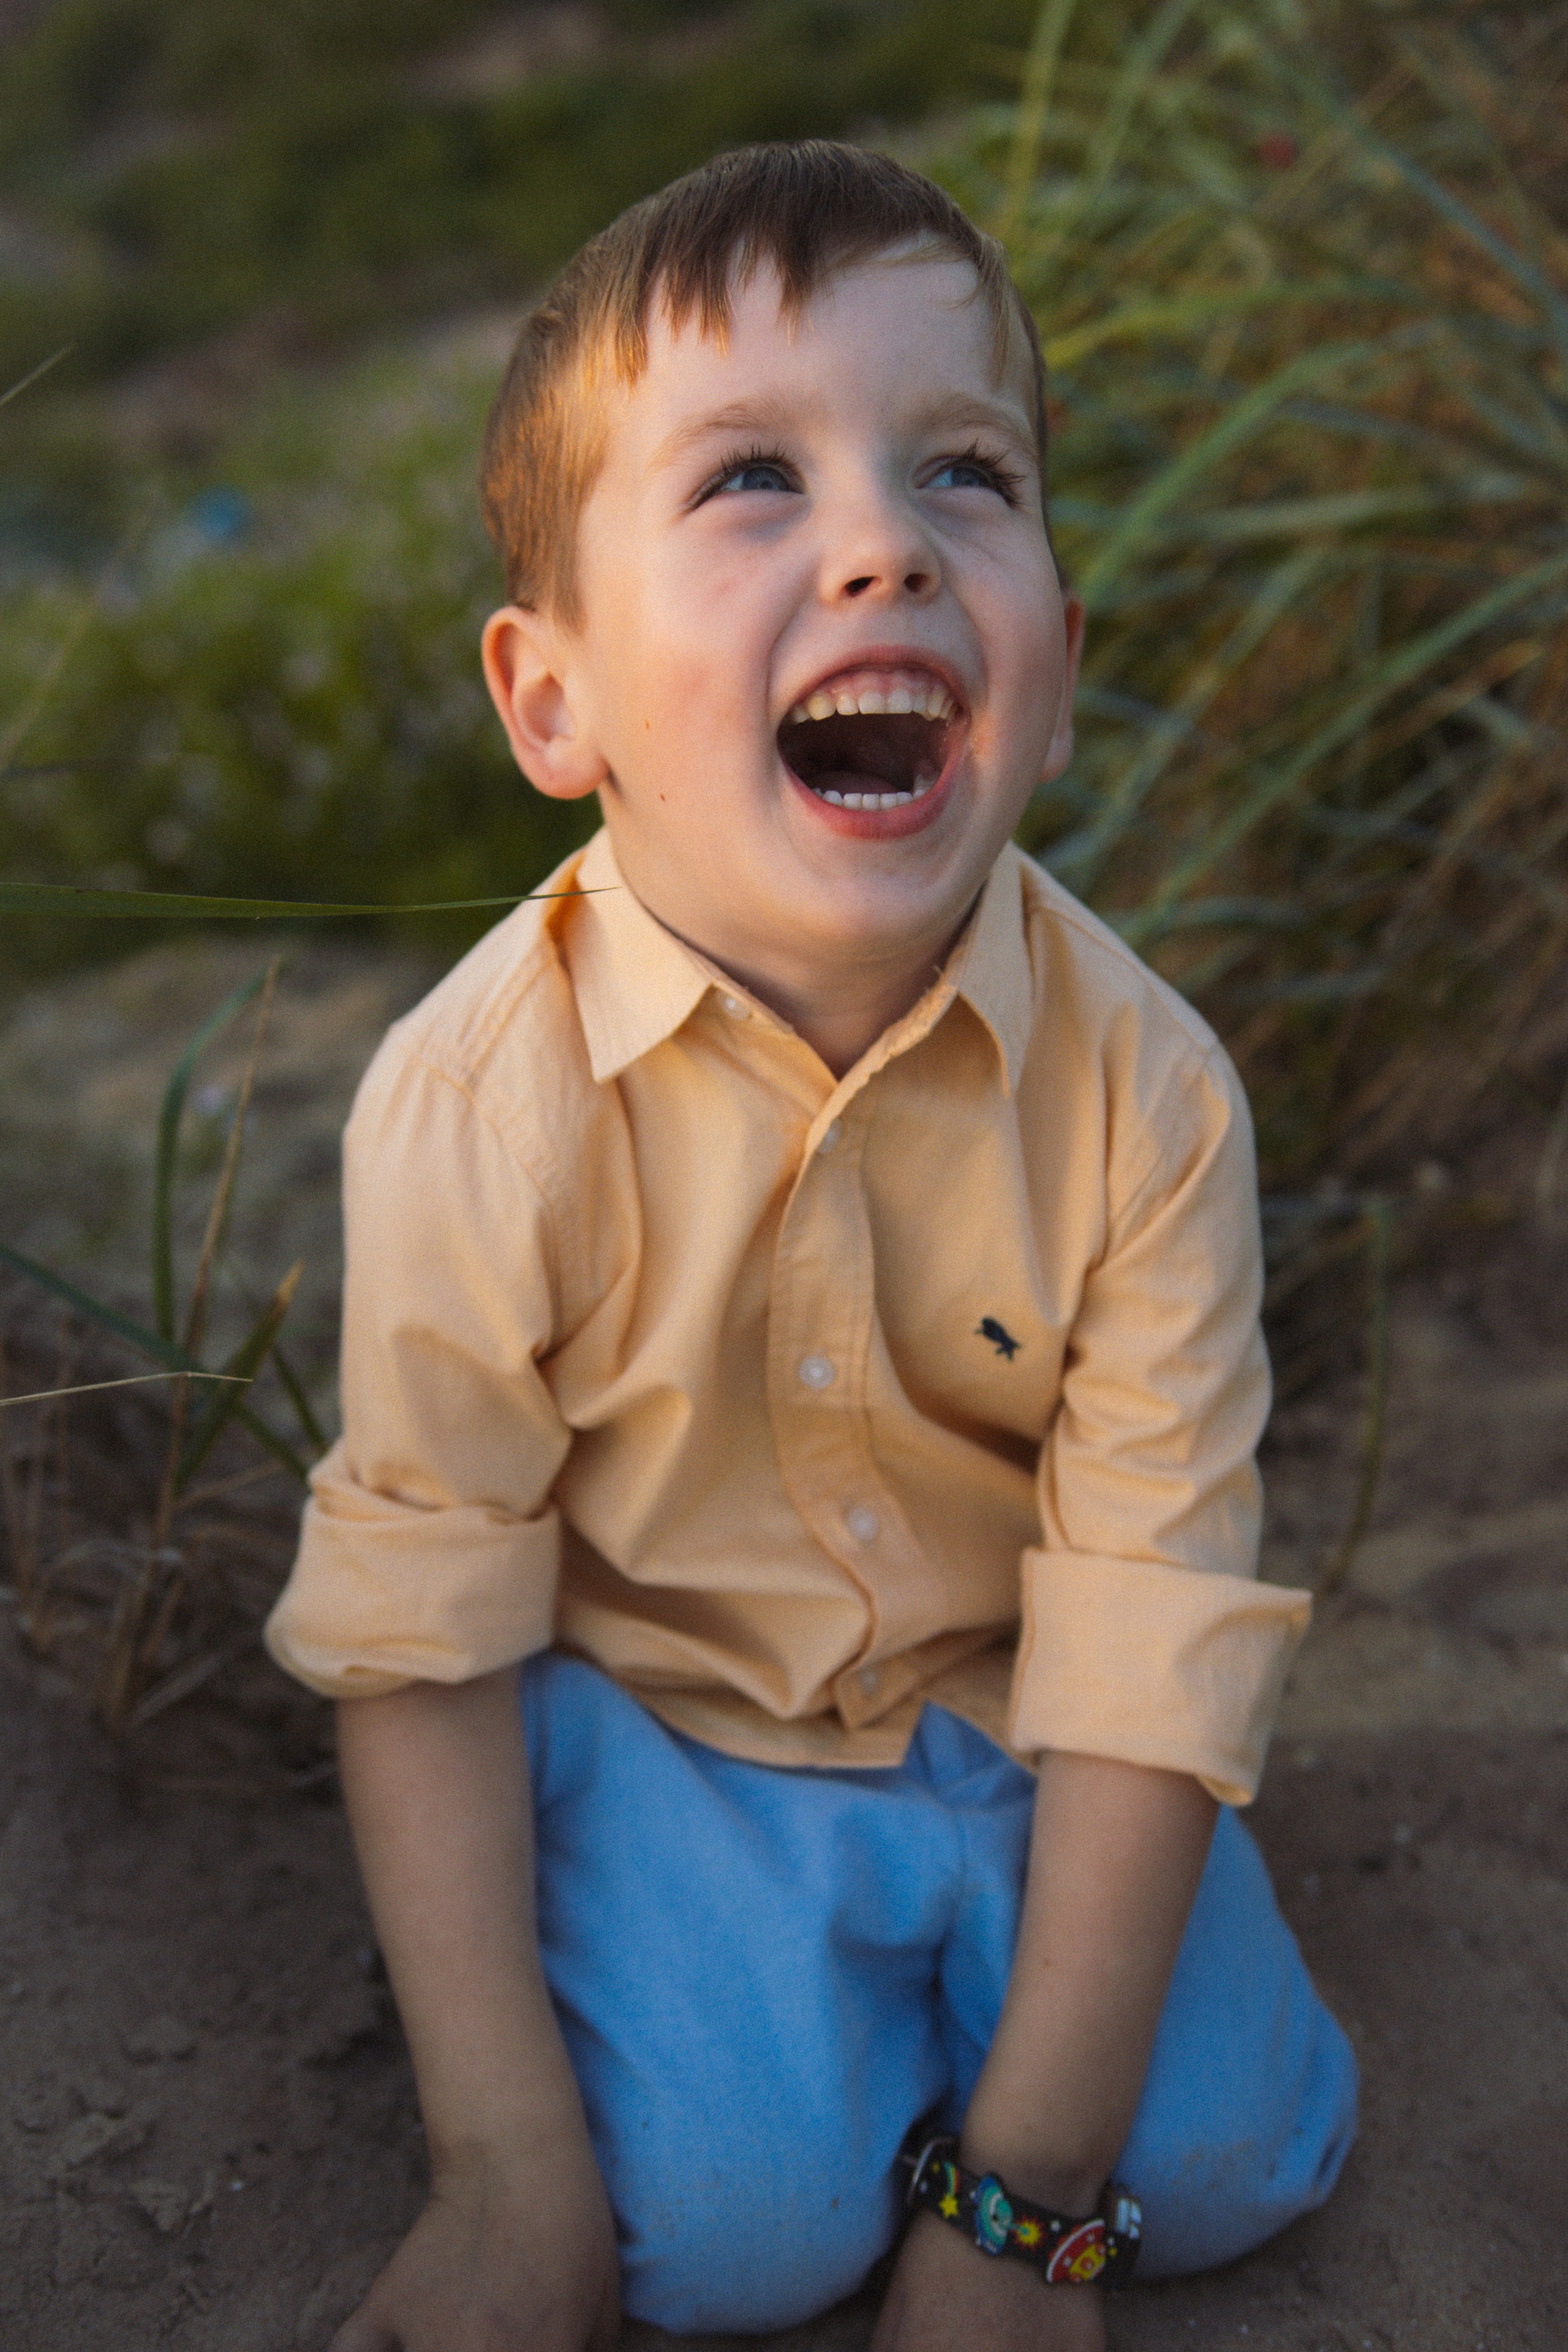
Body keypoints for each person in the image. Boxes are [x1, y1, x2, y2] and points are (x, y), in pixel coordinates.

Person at [265, 140, 1357, 2352]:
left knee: (1235, 2162)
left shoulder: (1149, 1092)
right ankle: (639, 1991)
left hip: (1018, 1728)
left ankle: (1006, 2071)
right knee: (725, 2237)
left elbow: (1147, 1641)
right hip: (668, 1736)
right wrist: (505, 2167)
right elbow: (425, 1626)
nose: (881, 541)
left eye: (967, 475)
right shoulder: (482, 1105)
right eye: (751, 480)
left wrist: (1026, 2212)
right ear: (550, 701)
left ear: (1055, 659)